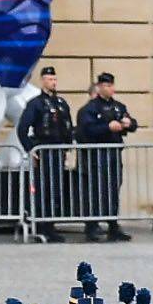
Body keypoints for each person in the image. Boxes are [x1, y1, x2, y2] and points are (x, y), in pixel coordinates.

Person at [15, 64, 77, 242]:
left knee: (56, 189)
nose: (53, 82)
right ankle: (42, 225)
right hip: (43, 150)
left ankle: (51, 224)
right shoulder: (36, 104)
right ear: (42, 81)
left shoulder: (61, 103)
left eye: (55, 79)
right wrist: (31, 149)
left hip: (58, 151)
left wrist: (67, 147)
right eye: (50, 79)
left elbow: (67, 126)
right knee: (44, 189)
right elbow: (23, 129)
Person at [74, 71, 137, 243]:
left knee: (113, 189)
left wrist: (128, 124)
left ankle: (113, 225)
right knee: (95, 191)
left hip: (113, 154)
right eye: (107, 85)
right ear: (100, 87)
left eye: (112, 85)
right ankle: (92, 226)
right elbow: (87, 130)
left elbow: (132, 123)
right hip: (96, 155)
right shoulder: (90, 108)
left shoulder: (118, 106)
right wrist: (107, 127)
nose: (110, 89)